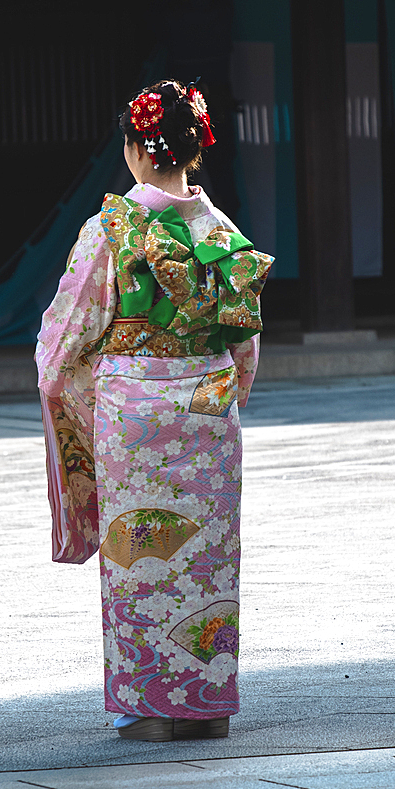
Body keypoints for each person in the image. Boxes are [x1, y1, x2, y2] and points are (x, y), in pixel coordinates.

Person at [35, 80, 273, 742]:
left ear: (138, 150)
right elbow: (243, 344)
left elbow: (63, 347)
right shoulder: (221, 232)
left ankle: (148, 709)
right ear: (192, 150)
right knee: (206, 556)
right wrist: (216, 401)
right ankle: (205, 701)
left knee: (141, 552)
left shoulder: (110, 230)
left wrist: (76, 404)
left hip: (134, 419)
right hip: (208, 410)